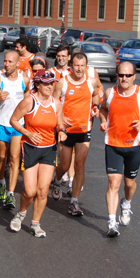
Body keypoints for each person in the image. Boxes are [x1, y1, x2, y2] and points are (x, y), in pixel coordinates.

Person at [99, 62, 140, 237]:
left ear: (134, 76)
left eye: (128, 75)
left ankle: (126, 203)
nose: (124, 79)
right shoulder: (110, 93)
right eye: (121, 75)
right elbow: (103, 109)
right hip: (113, 144)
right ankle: (112, 222)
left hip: (134, 145)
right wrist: (103, 121)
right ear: (117, 75)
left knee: (129, 183)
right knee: (113, 183)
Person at [8, 69, 66, 238]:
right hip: (31, 149)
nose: (50, 87)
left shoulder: (56, 103)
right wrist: (27, 133)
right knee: (30, 191)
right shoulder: (29, 101)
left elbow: (60, 124)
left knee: (42, 191)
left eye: (51, 83)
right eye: (46, 84)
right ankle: (21, 213)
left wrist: (61, 131)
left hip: (49, 149)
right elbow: (13, 120)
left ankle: (35, 223)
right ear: (38, 84)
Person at [51, 52, 101, 216]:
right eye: (76, 65)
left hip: (84, 129)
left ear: (86, 66)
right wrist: (59, 121)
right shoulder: (63, 82)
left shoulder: (91, 81)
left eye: (82, 65)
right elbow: (54, 102)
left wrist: (95, 106)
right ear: (71, 66)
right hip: (66, 131)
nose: (79, 69)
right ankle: (57, 181)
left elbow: (96, 94)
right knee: (65, 166)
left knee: (79, 164)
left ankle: (74, 202)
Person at [0, 50, 30, 208]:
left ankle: (10, 193)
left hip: (17, 125)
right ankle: (1, 182)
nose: (7, 64)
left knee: (14, 158)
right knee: (2, 157)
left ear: (18, 63)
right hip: (1, 123)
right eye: (5, 61)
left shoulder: (24, 79)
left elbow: (28, 97)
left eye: (10, 62)